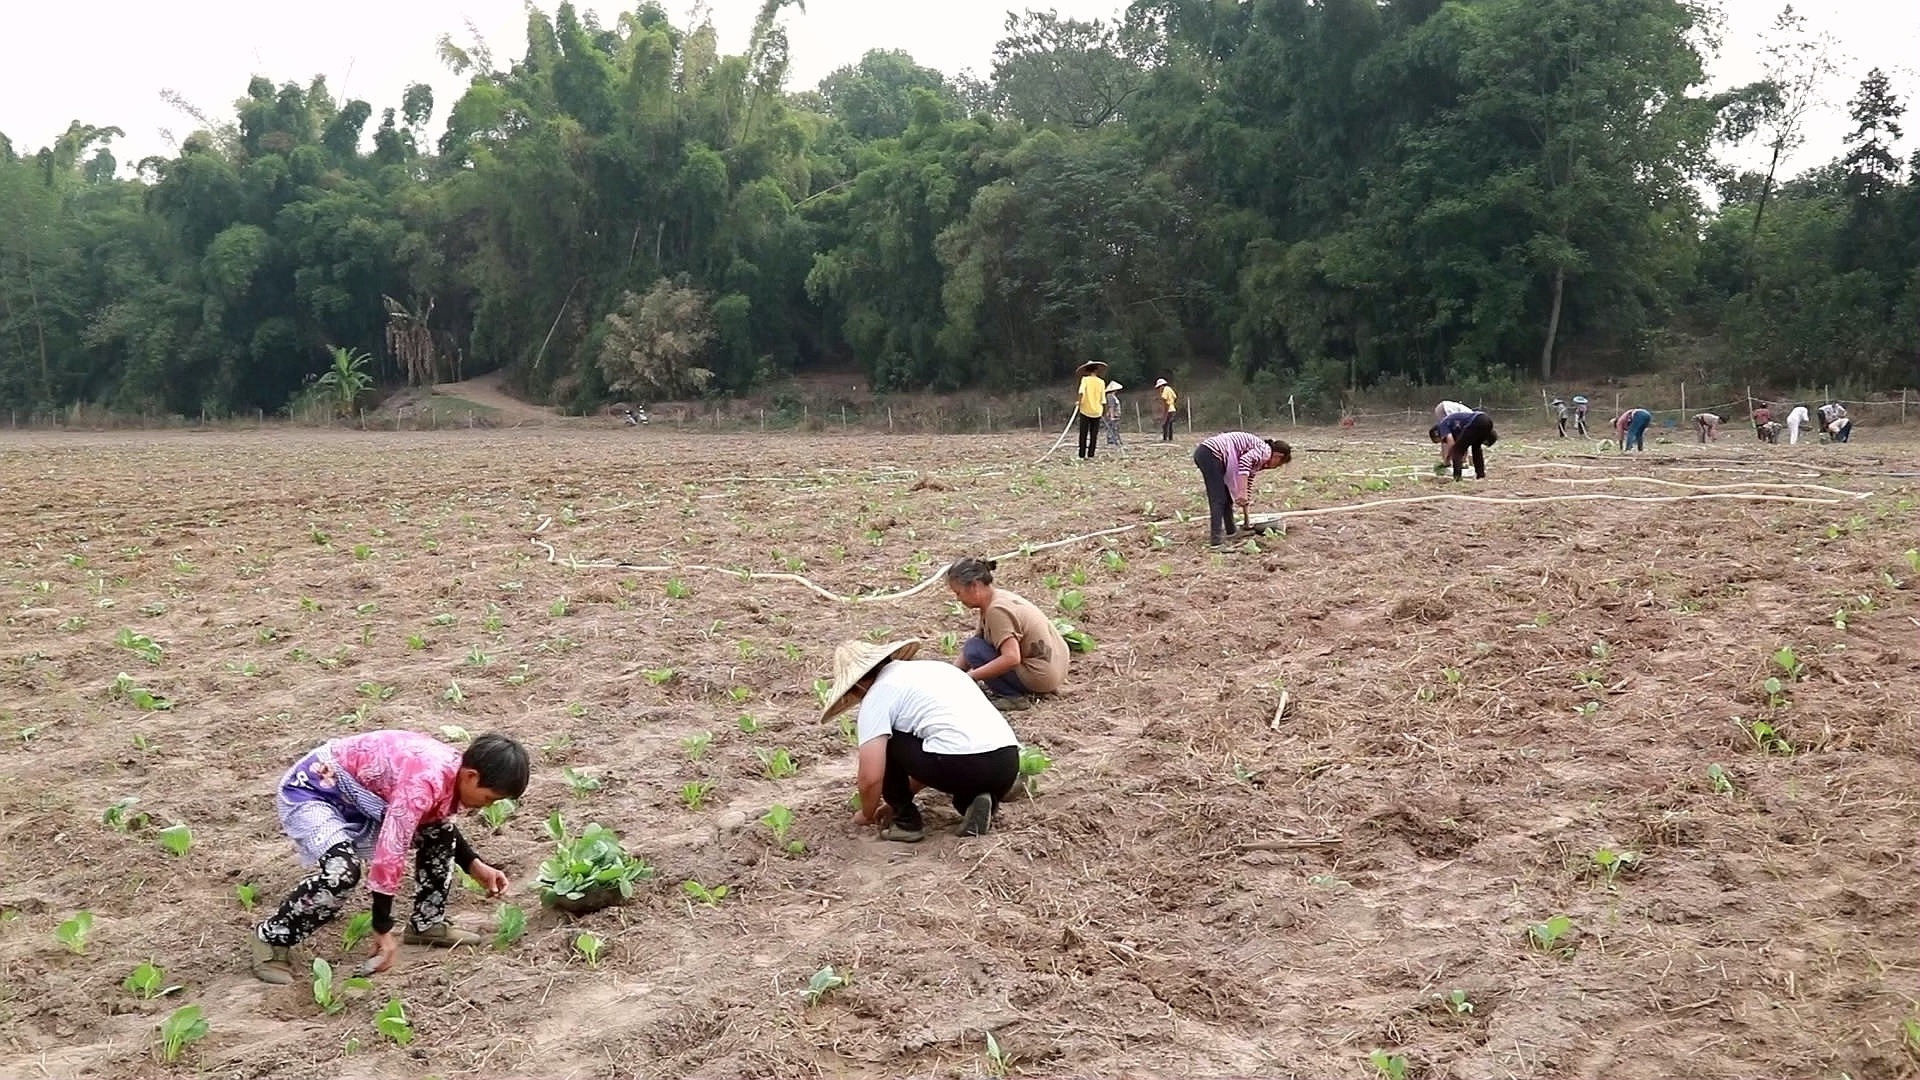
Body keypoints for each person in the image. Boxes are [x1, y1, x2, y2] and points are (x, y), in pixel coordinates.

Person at [249, 730, 530, 984]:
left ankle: (427, 922)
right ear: (472, 776)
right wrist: (382, 927)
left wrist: (474, 866)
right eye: (490, 798)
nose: (487, 806)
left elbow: (435, 822)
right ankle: (271, 938)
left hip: (360, 798)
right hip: (315, 789)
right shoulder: (425, 781)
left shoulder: (452, 775)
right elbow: (390, 852)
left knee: (440, 830)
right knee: (342, 873)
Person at [821, 638, 1021, 843]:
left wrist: (867, 813)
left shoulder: (878, 694)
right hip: (1007, 762)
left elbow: (870, 777)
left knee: (887, 740)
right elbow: (936, 747)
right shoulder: (937, 669)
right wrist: (901, 795)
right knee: (957, 769)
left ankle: (906, 822)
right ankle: (975, 801)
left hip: (962, 764)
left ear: (856, 688)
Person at [946, 557, 1069, 710]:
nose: (958, 599)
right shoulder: (996, 598)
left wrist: (970, 677)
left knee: (975, 650)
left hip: (1039, 676)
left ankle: (1012, 698)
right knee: (974, 646)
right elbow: (978, 637)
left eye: (958, 593)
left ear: (974, 586)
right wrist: (952, 676)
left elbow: (1011, 658)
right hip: (1052, 672)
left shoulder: (997, 611)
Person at [1194, 431, 1293, 547]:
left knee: (1226, 498)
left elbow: (1247, 483)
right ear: (1278, 456)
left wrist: (1246, 515)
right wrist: (1242, 492)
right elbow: (1244, 462)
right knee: (1218, 498)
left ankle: (1231, 532)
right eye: (1279, 464)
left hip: (1211, 455)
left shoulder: (1257, 460)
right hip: (1211, 453)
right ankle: (1216, 543)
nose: (1274, 467)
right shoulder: (1265, 451)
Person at [1430, 408, 1499, 480]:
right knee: (1476, 448)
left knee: (1456, 450)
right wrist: (1462, 460)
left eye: (1441, 440)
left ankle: (1457, 477)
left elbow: (1452, 444)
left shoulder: (1442, 425)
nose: (1443, 441)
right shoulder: (1455, 428)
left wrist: (1447, 460)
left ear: (1437, 433)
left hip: (1477, 420)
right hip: (1486, 420)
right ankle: (1480, 475)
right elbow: (1464, 444)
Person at [1073, 361, 1107, 460]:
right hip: (1097, 411)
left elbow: (1081, 392)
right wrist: (1103, 411)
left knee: (1083, 433)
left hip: (1085, 410)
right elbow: (1103, 399)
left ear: (1087, 371)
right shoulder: (1101, 382)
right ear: (1096, 370)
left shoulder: (1085, 380)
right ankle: (1091, 454)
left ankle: (1082, 454)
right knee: (1094, 434)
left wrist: (1078, 402)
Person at [1102, 381, 1125, 447]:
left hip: (1116, 415)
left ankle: (1115, 440)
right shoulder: (1110, 396)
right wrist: (1112, 416)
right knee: (1112, 428)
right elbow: (1111, 406)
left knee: (1115, 428)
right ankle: (1111, 441)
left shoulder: (1113, 396)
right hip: (1113, 415)